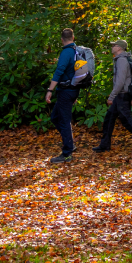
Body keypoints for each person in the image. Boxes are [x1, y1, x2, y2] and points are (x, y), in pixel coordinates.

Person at [92, 40, 132, 154]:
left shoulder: (122, 60)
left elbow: (120, 81)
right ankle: (104, 144)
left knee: (126, 119)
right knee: (109, 118)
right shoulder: (121, 59)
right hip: (122, 94)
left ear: (119, 48)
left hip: (122, 94)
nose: (112, 47)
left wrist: (111, 96)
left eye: (114, 45)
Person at [45, 27, 82, 163]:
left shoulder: (67, 52)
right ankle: (70, 144)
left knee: (64, 121)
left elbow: (59, 71)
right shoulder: (76, 52)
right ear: (73, 38)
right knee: (55, 117)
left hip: (66, 91)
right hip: (72, 90)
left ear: (62, 39)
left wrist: (50, 90)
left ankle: (67, 153)